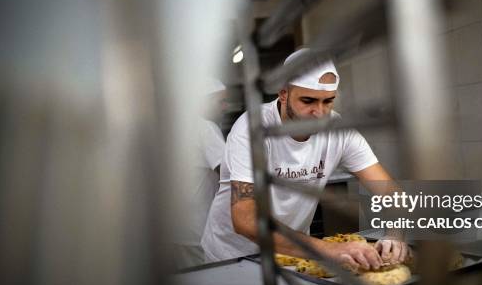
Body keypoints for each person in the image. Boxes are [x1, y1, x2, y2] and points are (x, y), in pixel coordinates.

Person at [201, 49, 409, 270]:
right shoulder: (253, 128)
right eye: (308, 101)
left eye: (328, 101)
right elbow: (245, 220)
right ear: (283, 94)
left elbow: (391, 193)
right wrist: (330, 250)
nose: (319, 113)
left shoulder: (340, 131)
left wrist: (395, 234)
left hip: (292, 253)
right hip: (233, 255)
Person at [174, 79, 227, 269]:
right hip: (199, 229)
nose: (225, 107)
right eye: (220, 101)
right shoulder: (205, 128)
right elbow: (228, 172)